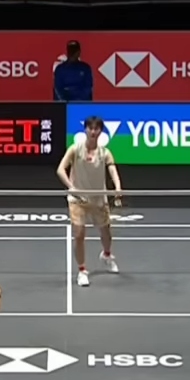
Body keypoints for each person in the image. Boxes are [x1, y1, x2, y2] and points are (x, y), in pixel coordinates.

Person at [57, 115, 124, 286]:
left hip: (98, 198)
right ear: (85, 130)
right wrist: (71, 187)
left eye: (96, 129)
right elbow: (60, 170)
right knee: (79, 234)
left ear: (100, 131)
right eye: (90, 128)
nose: (93, 132)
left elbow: (113, 170)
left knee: (106, 233)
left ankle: (106, 255)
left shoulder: (105, 153)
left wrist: (117, 187)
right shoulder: (75, 149)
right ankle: (82, 270)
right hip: (78, 198)